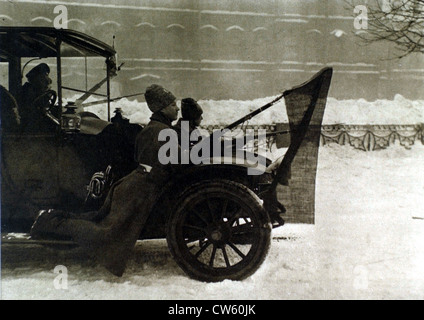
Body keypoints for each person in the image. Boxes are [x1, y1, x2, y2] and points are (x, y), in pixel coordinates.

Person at [30, 84, 183, 277]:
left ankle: (54, 217)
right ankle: (50, 222)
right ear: (162, 107)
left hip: (136, 185)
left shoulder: (156, 128)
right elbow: (176, 163)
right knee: (106, 232)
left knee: (100, 219)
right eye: (173, 104)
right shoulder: (160, 131)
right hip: (139, 189)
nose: (177, 108)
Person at [18, 63, 58, 132]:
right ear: (36, 78)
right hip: (29, 124)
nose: (46, 81)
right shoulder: (27, 90)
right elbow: (35, 107)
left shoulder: (34, 89)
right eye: (42, 78)